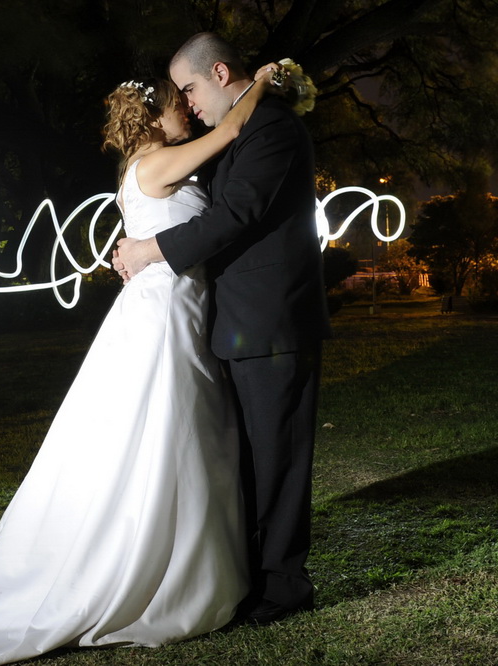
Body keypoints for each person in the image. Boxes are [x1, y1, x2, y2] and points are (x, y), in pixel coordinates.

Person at [0, 65, 281, 666]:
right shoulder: (157, 163)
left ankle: (179, 554)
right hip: (165, 311)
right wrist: (264, 81)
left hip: (168, 304)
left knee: (167, 430)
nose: (188, 112)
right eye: (178, 105)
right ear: (153, 114)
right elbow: (231, 129)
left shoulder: (140, 170)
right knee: (166, 427)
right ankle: (161, 570)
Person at [115, 32, 332, 624]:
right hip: (232, 324)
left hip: (273, 322)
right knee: (246, 462)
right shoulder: (236, 130)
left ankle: (284, 588)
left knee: (279, 461)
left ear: (217, 71)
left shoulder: (273, 130)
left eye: (189, 89)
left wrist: (151, 248)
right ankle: (246, 576)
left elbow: (238, 215)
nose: (187, 104)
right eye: (177, 96)